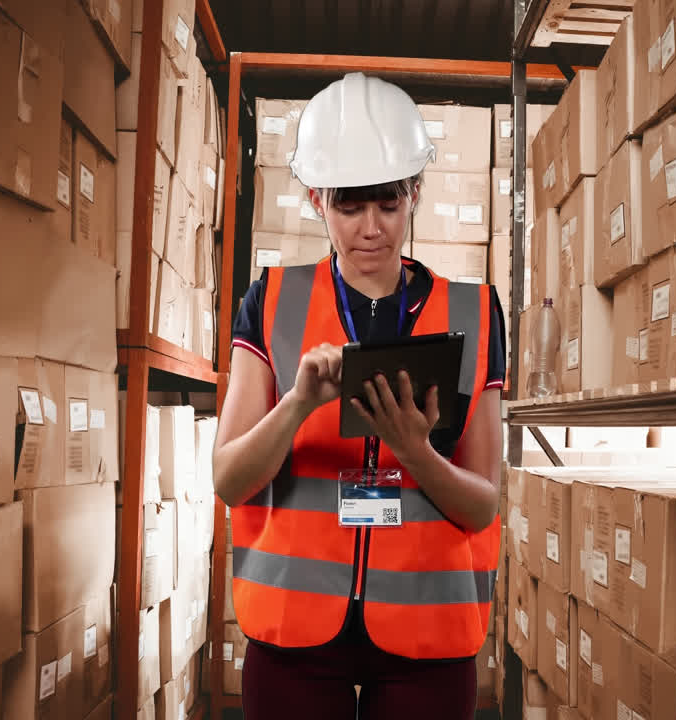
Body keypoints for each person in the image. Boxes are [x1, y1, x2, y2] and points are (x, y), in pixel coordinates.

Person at [212, 72, 507, 720]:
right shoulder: (274, 301)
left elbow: (484, 505)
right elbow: (230, 480)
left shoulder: (476, 311)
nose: (371, 229)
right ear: (318, 200)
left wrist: (416, 452)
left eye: (389, 204)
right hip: (293, 627)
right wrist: (296, 404)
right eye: (350, 206)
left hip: (427, 638)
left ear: (415, 193)